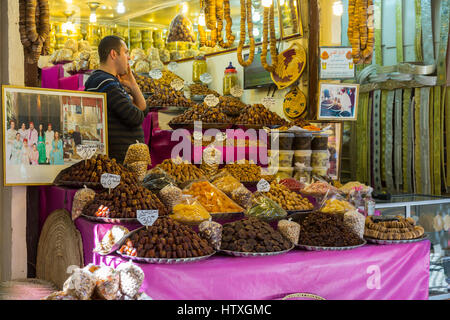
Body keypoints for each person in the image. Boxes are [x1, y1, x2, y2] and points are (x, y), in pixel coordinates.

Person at [84, 35, 148, 163]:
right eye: (125, 52)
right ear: (114, 54)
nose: (129, 57)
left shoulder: (105, 81)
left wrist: (133, 85)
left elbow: (143, 111)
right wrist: (133, 98)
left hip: (120, 161)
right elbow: (135, 117)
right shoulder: (106, 83)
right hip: (117, 163)